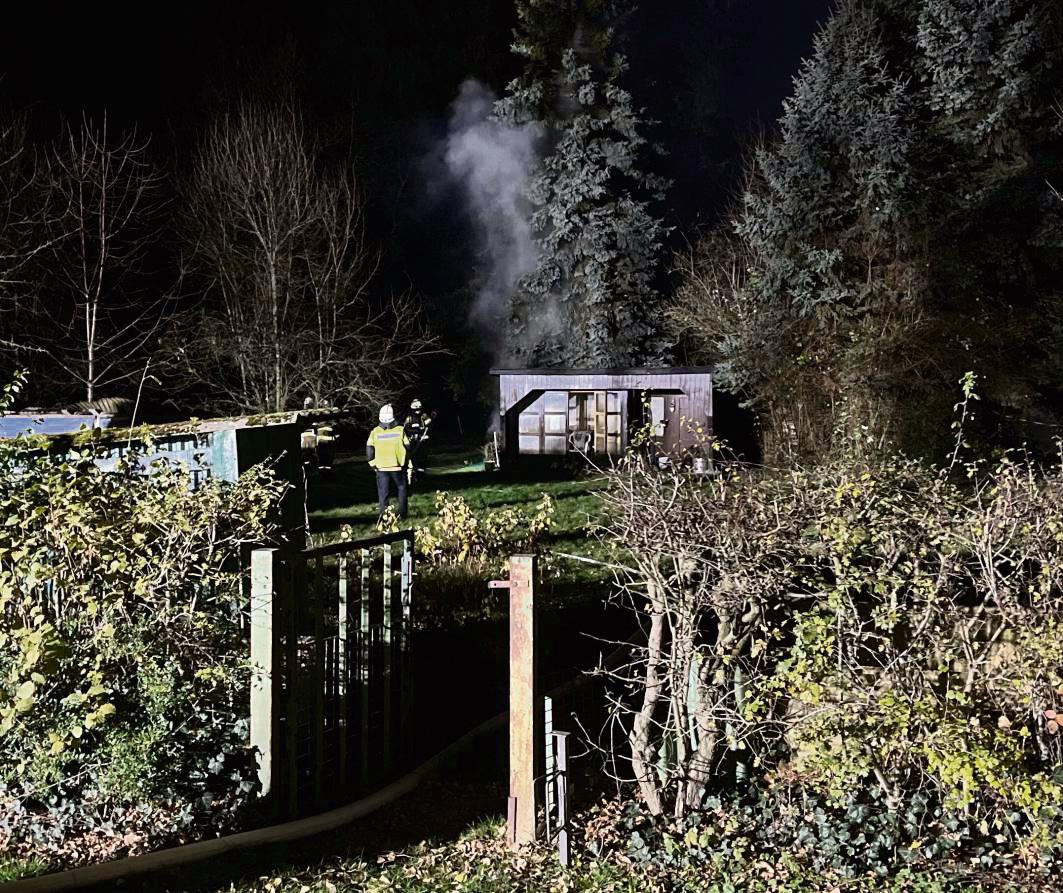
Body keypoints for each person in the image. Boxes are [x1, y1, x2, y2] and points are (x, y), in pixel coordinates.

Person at [367, 404, 409, 519]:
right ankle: (402, 513)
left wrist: (373, 465)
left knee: (383, 493)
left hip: (381, 468)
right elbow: (408, 446)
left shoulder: (375, 432)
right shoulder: (400, 430)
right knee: (402, 488)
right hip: (397, 466)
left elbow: (369, 450)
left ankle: (385, 516)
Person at [403, 397, 432, 483]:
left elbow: (429, 425)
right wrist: (415, 433)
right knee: (413, 459)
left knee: (422, 459)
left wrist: (425, 433)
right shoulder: (409, 418)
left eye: (419, 408)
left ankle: (421, 477)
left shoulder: (424, 416)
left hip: (422, 442)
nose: (418, 411)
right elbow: (406, 429)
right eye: (416, 409)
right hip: (413, 442)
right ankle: (413, 476)